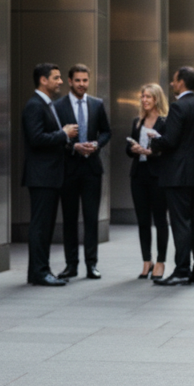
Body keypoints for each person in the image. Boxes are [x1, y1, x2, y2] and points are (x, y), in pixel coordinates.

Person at [149, 66, 194, 285]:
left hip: (178, 175)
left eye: (174, 81)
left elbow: (170, 141)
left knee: (180, 223)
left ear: (181, 83)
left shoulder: (178, 108)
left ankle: (182, 269)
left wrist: (154, 138)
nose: (171, 84)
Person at [21, 63, 79, 286]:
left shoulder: (48, 105)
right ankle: (39, 272)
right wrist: (63, 134)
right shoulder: (35, 105)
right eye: (56, 78)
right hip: (42, 176)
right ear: (43, 80)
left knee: (45, 226)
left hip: (50, 175)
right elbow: (36, 139)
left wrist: (71, 145)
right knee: (40, 226)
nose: (61, 81)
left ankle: (40, 271)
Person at [54, 64, 112, 280]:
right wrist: (73, 146)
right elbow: (55, 136)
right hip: (68, 168)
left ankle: (91, 264)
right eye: (77, 80)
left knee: (91, 218)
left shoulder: (97, 104)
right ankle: (71, 265)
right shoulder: (58, 106)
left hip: (91, 169)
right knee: (69, 219)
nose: (82, 84)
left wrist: (97, 144)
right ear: (70, 81)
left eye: (85, 80)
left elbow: (107, 131)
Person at [126, 83, 169, 280]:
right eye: (143, 97)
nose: (144, 100)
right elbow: (127, 149)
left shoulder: (165, 122)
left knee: (160, 219)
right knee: (143, 220)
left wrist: (152, 152)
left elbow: (169, 149)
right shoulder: (137, 121)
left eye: (148, 97)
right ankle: (146, 261)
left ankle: (160, 261)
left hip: (158, 175)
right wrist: (134, 149)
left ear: (157, 99)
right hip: (138, 175)